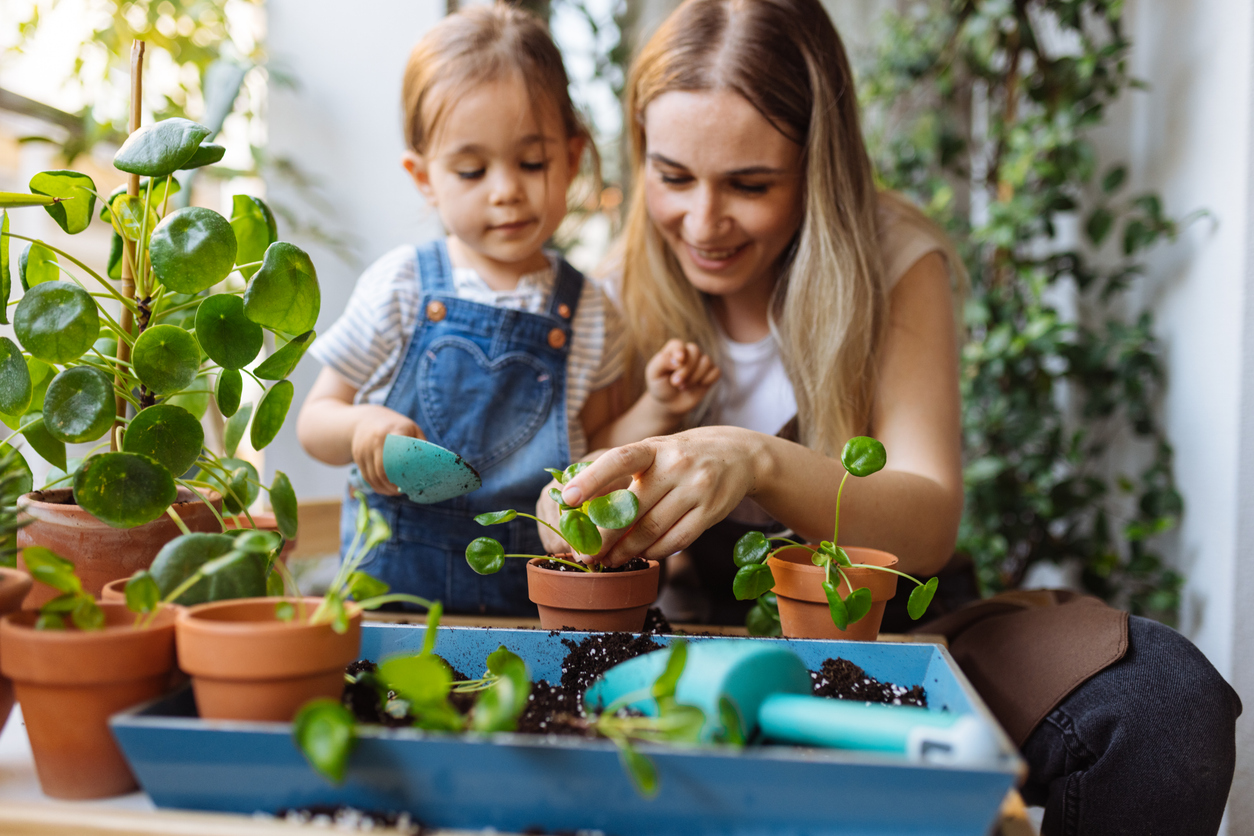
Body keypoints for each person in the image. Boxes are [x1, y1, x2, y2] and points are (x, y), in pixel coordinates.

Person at [535, 1, 1240, 834]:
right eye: (673, 176)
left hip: (909, 634)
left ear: (819, 162)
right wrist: (569, 514)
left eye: (751, 185)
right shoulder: (609, 287)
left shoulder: (895, 255)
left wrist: (752, 458)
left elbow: (929, 525)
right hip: (701, 648)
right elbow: (566, 507)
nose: (702, 223)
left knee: (1164, 703)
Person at [295, 3, 718, 616]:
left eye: (531, 163)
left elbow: (595, 448)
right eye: (471, 169)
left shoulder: (592, 310)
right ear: (424, 178)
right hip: (389, 600)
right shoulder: (402, 285)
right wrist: (362, 427)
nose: (506, 189)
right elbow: (315, 422)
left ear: (572, 159)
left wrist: (658, 404)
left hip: (530, 604)